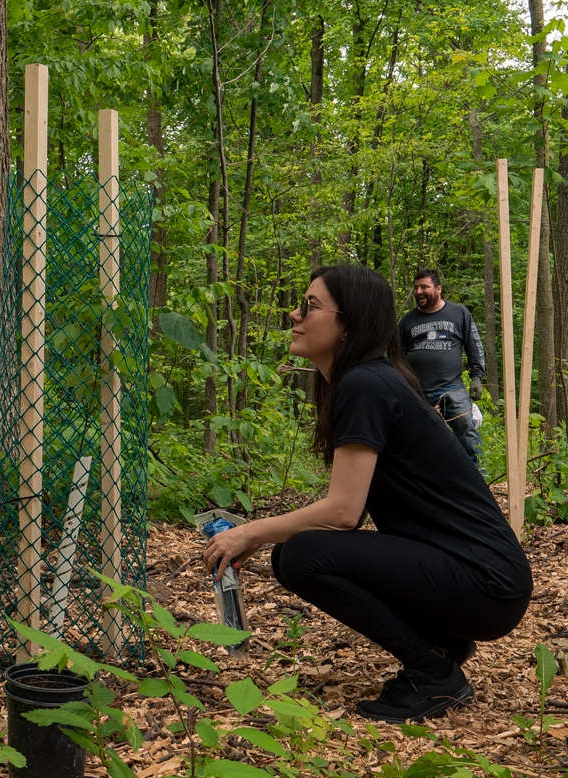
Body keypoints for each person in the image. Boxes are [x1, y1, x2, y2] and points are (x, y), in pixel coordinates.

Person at [203, 265, 531, 723]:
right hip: (483, 579)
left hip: (484, 582)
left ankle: (434, 673)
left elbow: (342, 513)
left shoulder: (365, 383)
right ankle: (444, 644)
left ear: (349, 324)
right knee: (300, 550)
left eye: (311, 306)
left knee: (299, 556)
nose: (294, 314)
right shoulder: (366, 381)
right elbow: (349, 516)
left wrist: (251, 533)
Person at [399, 268, 487, 468]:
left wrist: (476, 377)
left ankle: (478, 480)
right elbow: (398, 357)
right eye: (416, 288)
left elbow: (475, 346)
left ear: (438, 289)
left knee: (466, 431)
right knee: (414, 439)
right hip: (416, 391)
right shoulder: (407, 320)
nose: (419, 292)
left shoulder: (458, 313)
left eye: (424, 287)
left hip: (451, 388)